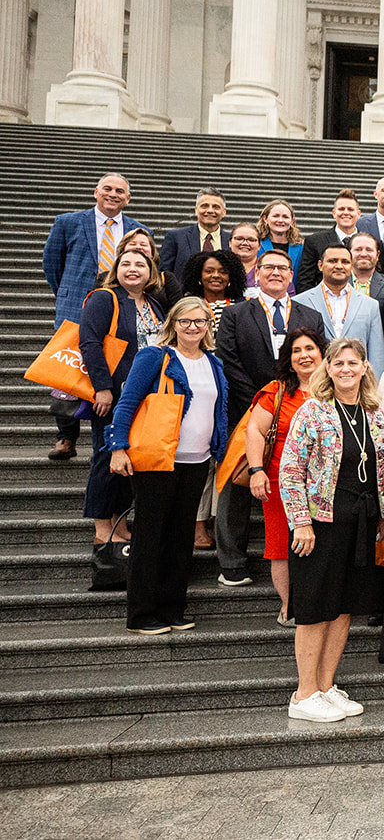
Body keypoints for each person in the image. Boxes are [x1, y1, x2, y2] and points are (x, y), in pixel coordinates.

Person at [276, 336, 384, 722]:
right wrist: (300, 522)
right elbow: (290, 470)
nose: (345, 370)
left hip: (359, 524)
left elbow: (382, 471)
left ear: (364, 368)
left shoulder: (374, 414)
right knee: (314, 609)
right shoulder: (313, 411)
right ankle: (303, 693)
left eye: (352, 363)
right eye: (338, 363)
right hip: (318, 525)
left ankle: (326, 686)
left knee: (343, 607)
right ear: (328, 368)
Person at [105, 297, 228, 635]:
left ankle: (173, 607)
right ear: (173, 323)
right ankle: (142, 613)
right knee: (150, 535)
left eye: (200, 322)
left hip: (197, 460)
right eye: (185, 321)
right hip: (158, 459)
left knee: (179, 537)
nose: (193, 327)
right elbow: (127, 402)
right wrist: (118, 447)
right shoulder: (155, 356)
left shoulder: (213, 362)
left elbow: (218, 409)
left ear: (208, 326)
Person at [215, 250, 326, 587]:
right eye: (269, 268)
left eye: (282, 268)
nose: (276, 273)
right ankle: (232, 560)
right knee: (238, 482)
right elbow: (227, 358)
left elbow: (317, 355)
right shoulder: (235, 312)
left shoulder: (309, 313)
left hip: (301, 404)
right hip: (250, 406)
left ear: (292, 275)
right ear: (257, 273)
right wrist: (264, 399)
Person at [43, 173, 147, 460]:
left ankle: (107, 439)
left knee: (110, 368)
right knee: (69, 372)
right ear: (96, 192)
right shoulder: (68, 222)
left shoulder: (138, 230)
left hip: (118, 306)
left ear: (128, 198)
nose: (113, 194)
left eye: (120, 191)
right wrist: (67, 293)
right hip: (76, 305)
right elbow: (52, 263)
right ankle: (66, 436)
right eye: (108, 189)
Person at [79, 244, 166, 546]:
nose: (133, 269)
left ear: (150, 272)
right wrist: (102, 387)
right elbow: (89, 342)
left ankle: (121, 523)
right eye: (126, 263)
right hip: (113, 394)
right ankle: (103, 527)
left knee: (130, 460)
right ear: (115, 270)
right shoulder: (105, 298)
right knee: (106, 458)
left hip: (147, 397)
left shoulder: (154, 304)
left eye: (140, 265)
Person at [246, 327, 327, 626]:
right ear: (288, 359)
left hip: (325, 487)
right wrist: (256, 470)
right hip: (281, 482)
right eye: (297, 351)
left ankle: (317, 601)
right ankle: (288, 606)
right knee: (282, 546)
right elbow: (254, 431)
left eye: (310, 349)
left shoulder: (335, 391)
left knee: (322, 545)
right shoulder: (276, 392)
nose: (304, 355)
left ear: (322, 354)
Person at [290, 243, 384, 376]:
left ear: (351, 267)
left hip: (356, 382)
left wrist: (375, 391)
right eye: (332, 261)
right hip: (314, 382)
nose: (339, 266)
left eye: (345, 262)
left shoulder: (370, 305)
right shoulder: (300, 302)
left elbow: (377, 355)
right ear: (320, 265)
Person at [296, 189, 364, 292]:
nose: (346, 213)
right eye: (341, 209)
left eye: (350, 209)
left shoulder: (370, 243)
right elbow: (305, 281)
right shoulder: (314, 241)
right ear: (334, 213)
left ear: (358, 214)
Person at [159, 188, 228, 284]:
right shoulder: (176, 237)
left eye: (216, 207)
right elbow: (163, 274)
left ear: (224, 212)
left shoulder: (232, 240)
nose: (210, 210)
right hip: (184, 297)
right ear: (196, 210)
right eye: (204, 206)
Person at [181, 249, 247, 325]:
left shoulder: (243, 306)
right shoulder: (188, 306)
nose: (216, 275)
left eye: (223, 272)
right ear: (199, 275)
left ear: (231, 276)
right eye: (209, 271)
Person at [255, 200, 305, 291]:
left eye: (285, 217)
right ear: (265, 219)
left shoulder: (301, 247)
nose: (280, 220)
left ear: (292, 221)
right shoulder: (256, 244)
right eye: (276, 216)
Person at [347, 232, 384, 319]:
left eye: (369, 250)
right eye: (358, 249)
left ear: (377, 255)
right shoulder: (338, 284)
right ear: (349, 253)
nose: (363, 254)